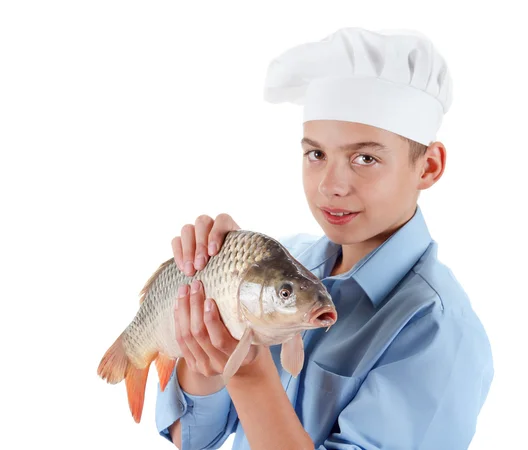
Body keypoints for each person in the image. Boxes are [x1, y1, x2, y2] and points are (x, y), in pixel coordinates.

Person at [155, 27, 494, 450]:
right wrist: (206, 337)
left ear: (428, 167)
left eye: (365, 158)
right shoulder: (287, 263)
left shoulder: (438, 332)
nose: (331, 185)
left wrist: (250, 377)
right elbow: (192, 437)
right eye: (316, 154)